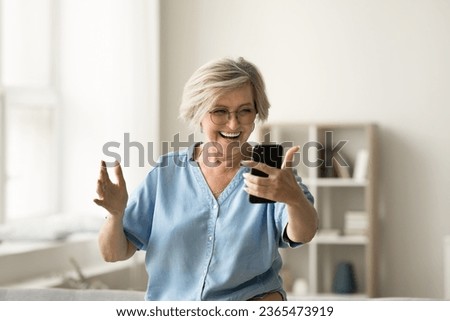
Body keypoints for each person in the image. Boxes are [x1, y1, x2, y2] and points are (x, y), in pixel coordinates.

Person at [94, 57, 318, 301]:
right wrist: (115, 216)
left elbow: (303, 233)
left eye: (245, 110)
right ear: (198, 114)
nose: (234, 123)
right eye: (219, 111)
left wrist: (295, 199)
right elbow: (112, 253)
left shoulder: (272, 172)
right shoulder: (166, 172)